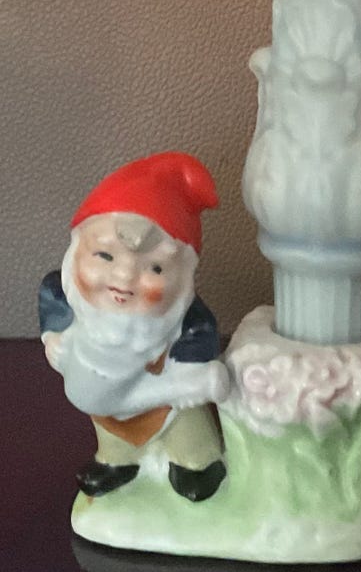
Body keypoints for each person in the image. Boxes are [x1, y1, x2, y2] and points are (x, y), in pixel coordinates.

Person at [39, 151, 229, 502]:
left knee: (185, 428)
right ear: (77, 252)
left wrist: (189, 375)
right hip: (103, 401)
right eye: (105, 256)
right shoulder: (67, 296)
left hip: (166, 404)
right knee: (110, 431)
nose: (124, 277)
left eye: (154, 268)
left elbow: (200, 352)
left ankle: (195, 464)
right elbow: (51, 302)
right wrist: (54, 335)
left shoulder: (186, 321)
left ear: (181, 278)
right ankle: (117, 461)